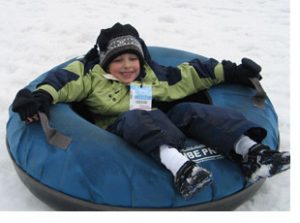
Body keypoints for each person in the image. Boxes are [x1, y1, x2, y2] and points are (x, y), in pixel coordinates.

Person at [12, 23, 290, 199]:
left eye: (133, 58)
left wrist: (231, 71)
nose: (127, 65)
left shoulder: (152, 75)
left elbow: (191, 74)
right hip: (119, 132)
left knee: (192, 110)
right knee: (136, 116)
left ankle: (253, 153)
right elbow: (60, 83)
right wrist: (37, 98)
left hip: (160, 122)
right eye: (118, 59)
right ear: (105, 61)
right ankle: (182, 169)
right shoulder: (89, 76)